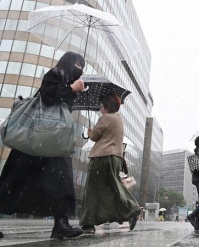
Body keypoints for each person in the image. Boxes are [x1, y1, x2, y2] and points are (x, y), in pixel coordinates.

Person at [0, 51, 85, 239]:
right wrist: (70, 88)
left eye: (82, 64)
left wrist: (74, 91)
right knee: (14, 181)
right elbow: (48, 96)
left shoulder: (69, 80)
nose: (79, 66)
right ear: (68, 62)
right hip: (35, 139)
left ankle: (61, 223)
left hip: (54, 142)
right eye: (77, 62)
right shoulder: (54, 74)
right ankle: (61, 223)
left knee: (61, 182)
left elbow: (62, 109)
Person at [79, 93, 140, 234]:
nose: (100, 107)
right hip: (114, 157)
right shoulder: (118, 118)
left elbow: (94, 137)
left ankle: (88, 223)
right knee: (112, 186)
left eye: (101, 105)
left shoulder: (106, 117)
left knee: (92, 190)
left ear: (106, 106)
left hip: (102, 156)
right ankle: (130, 209)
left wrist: (90, 132)